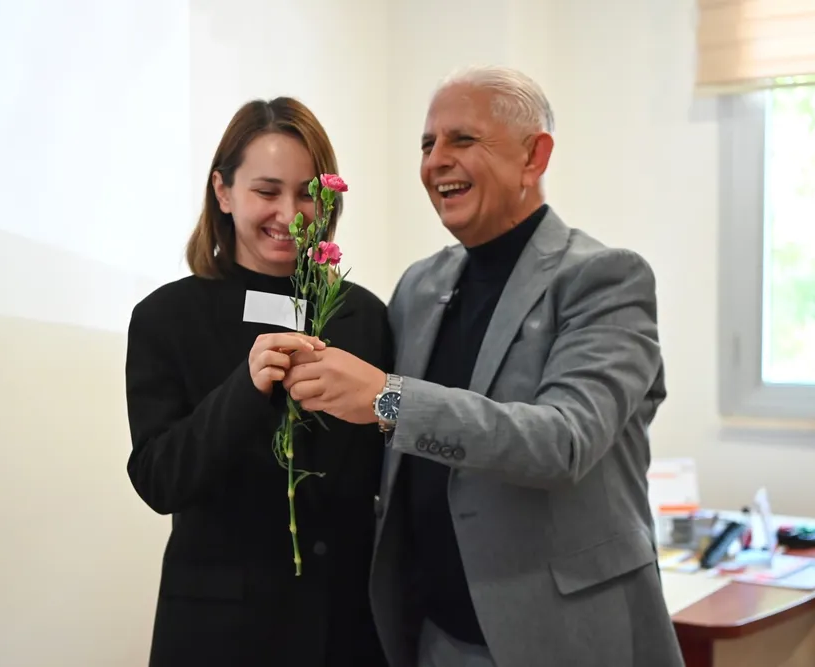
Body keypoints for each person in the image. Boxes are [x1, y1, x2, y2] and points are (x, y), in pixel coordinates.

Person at [281, 67, 686, 667]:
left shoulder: (604, 279)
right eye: (427, 144)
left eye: (463, 139)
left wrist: (387, 398)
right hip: (435, 636)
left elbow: (564, 441)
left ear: (533, 157)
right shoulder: (419, 286)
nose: (436, 161)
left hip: (564, 639)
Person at [124, 96, 390, 667]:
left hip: (343, 627)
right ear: (223, 191)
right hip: (219, 634)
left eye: (307, 194)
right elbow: (157, 480)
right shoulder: (167, 317)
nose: (289, 215)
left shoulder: (364, 316)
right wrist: (244, 392)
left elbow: (389, 471)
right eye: (267, 192)